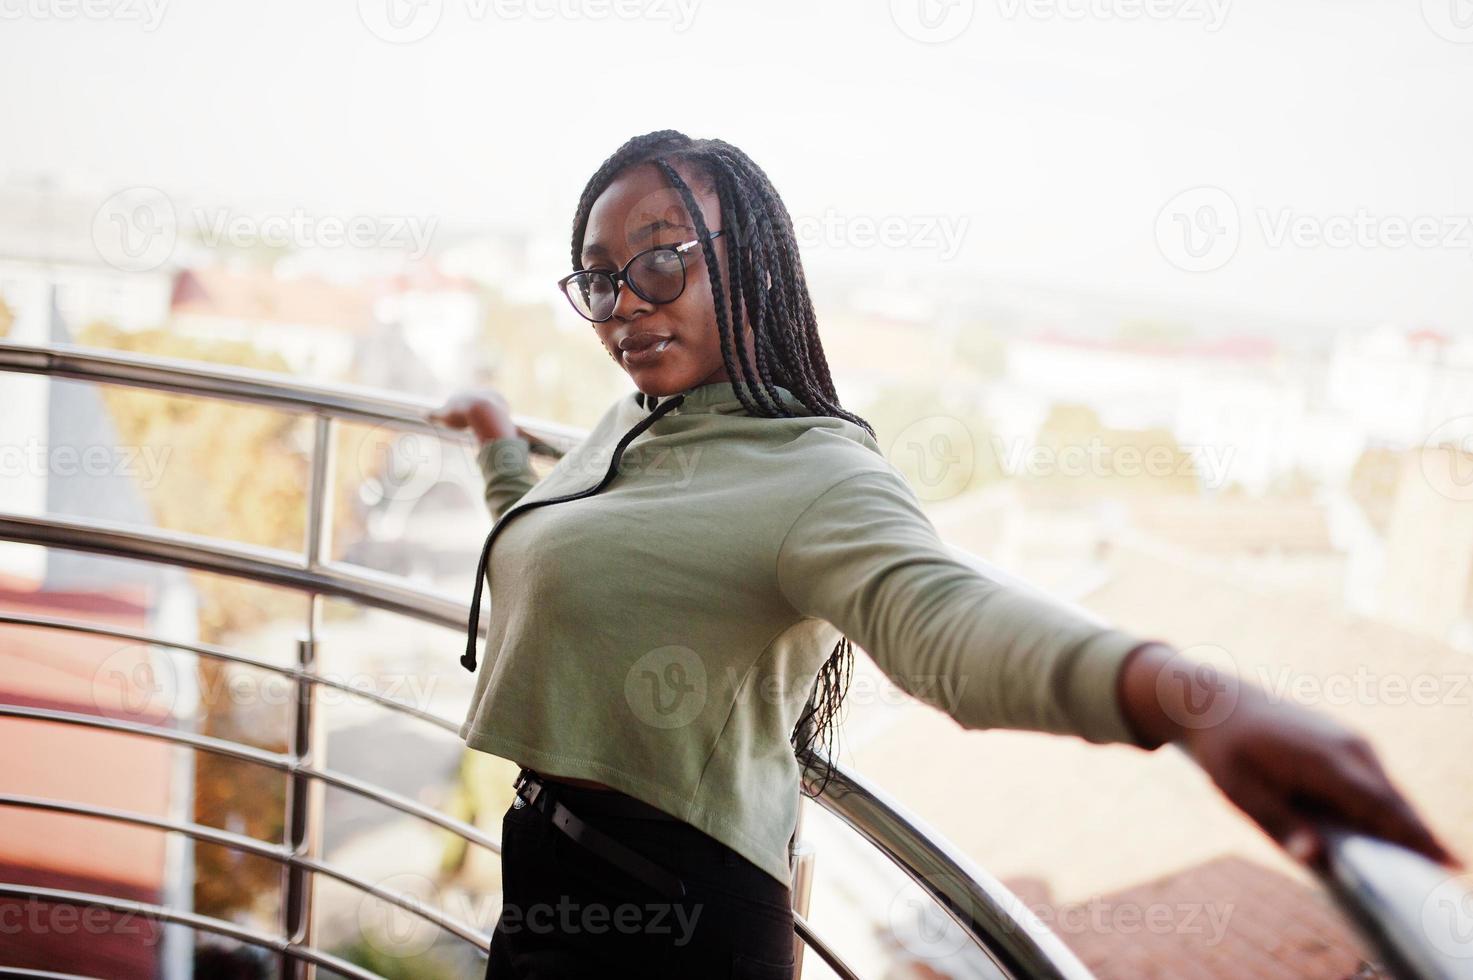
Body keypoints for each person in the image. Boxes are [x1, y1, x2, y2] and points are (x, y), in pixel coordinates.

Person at [428, 130, 1459, 979]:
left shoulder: (815, 470)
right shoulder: (639, 417)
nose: (628, 304)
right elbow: (569, 540)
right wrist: (498, 445)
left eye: (661, 257)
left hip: (673, 909)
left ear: (748, 258)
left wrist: (1184, 698)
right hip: (546, 861)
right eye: (602, 279)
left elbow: (947, 624)